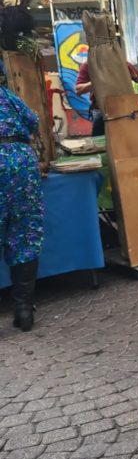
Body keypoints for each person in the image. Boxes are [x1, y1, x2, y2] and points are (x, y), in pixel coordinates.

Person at [0, 84, 44, 331]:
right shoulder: (7, 95)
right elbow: (33, 121)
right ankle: (24, 310)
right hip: (22, 162)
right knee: (25, 233)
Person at [74, 59, 138, 136]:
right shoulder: (89, 65)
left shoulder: (122, 63)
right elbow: (78, 90)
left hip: (124, 110)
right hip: (101, 111)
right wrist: (96, 81)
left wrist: (135, 76)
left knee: (128, 140)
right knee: (101, 142)